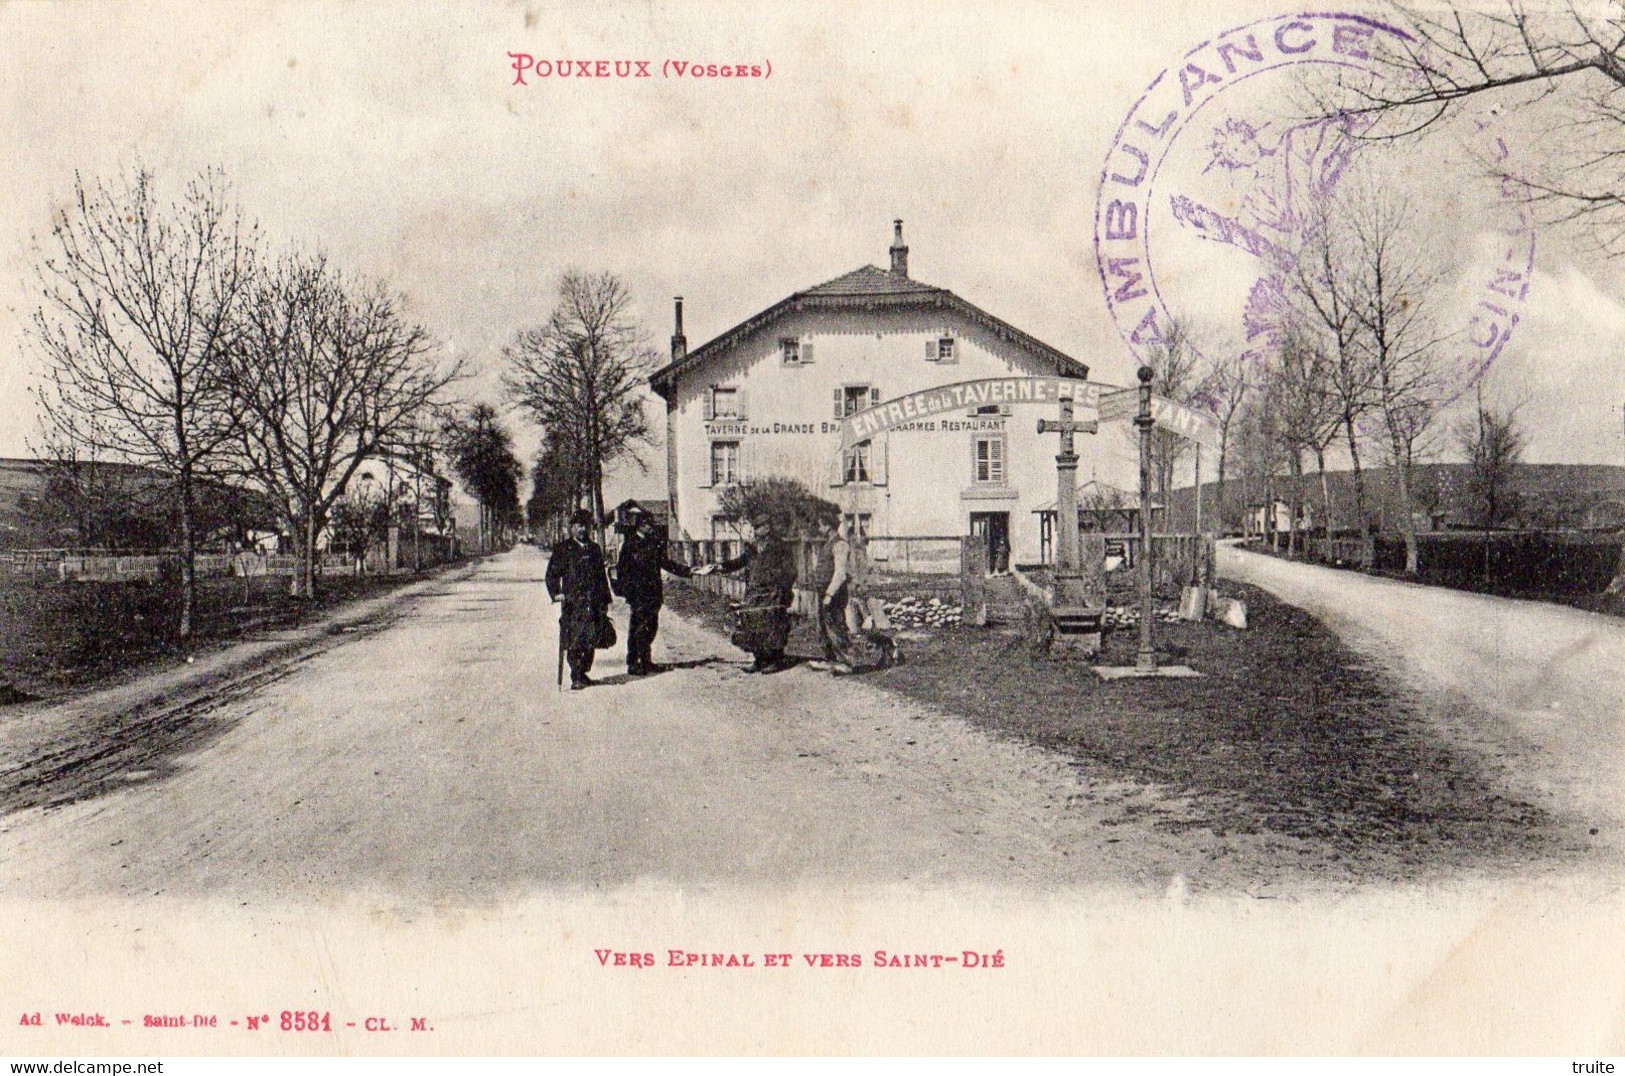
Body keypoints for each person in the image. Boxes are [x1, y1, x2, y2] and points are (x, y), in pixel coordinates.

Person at [711, 513, 799, 673]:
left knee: (773, 625)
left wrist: (782, 588)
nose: (756, 530)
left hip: (773, 592)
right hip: (754, 592)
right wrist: (720, 567)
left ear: (768, 528)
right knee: (752, 623)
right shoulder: (752, 548)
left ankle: (775, 660)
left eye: (759, 527)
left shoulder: (780, 547)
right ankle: (759, 659)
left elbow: (791, 570)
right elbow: (739, 562)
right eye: (755, 527)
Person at [613, 507, 692, 676]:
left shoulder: (654, 543)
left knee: (651, 627)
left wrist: (688, 572)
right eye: (648, 524)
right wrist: (628, 591)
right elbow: (622, 571)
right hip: (637, 594)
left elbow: (666, 563)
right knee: (637, 628)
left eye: (651, 524)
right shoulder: (629, 545)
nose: (651, 527)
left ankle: (646, 660)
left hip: (653, 592)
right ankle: (633, 662)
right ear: (640, 526)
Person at [546, 508, 613, 691]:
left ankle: (583, 672)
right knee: (575, 638)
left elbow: (601, 576)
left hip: (593, 601)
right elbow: (552, 574)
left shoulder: (594, 549)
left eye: (585, 526)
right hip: (573, 602)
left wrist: (605, 599)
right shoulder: (563, 549)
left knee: (591, 638)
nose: (582, 530)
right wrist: (556, 593)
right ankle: (576, 675)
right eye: (578, 526)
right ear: (572, 528)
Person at [814, 517, 859, 675]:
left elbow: (840, 574)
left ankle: (847, 662)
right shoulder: (828, 543)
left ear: (827, 526)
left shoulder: (840, 544)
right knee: (823, 627)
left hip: (834, 593)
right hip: (823, 592)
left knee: (835, 626)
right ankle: (830, 659)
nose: (819, 529)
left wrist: (829, 594)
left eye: (820, 526)